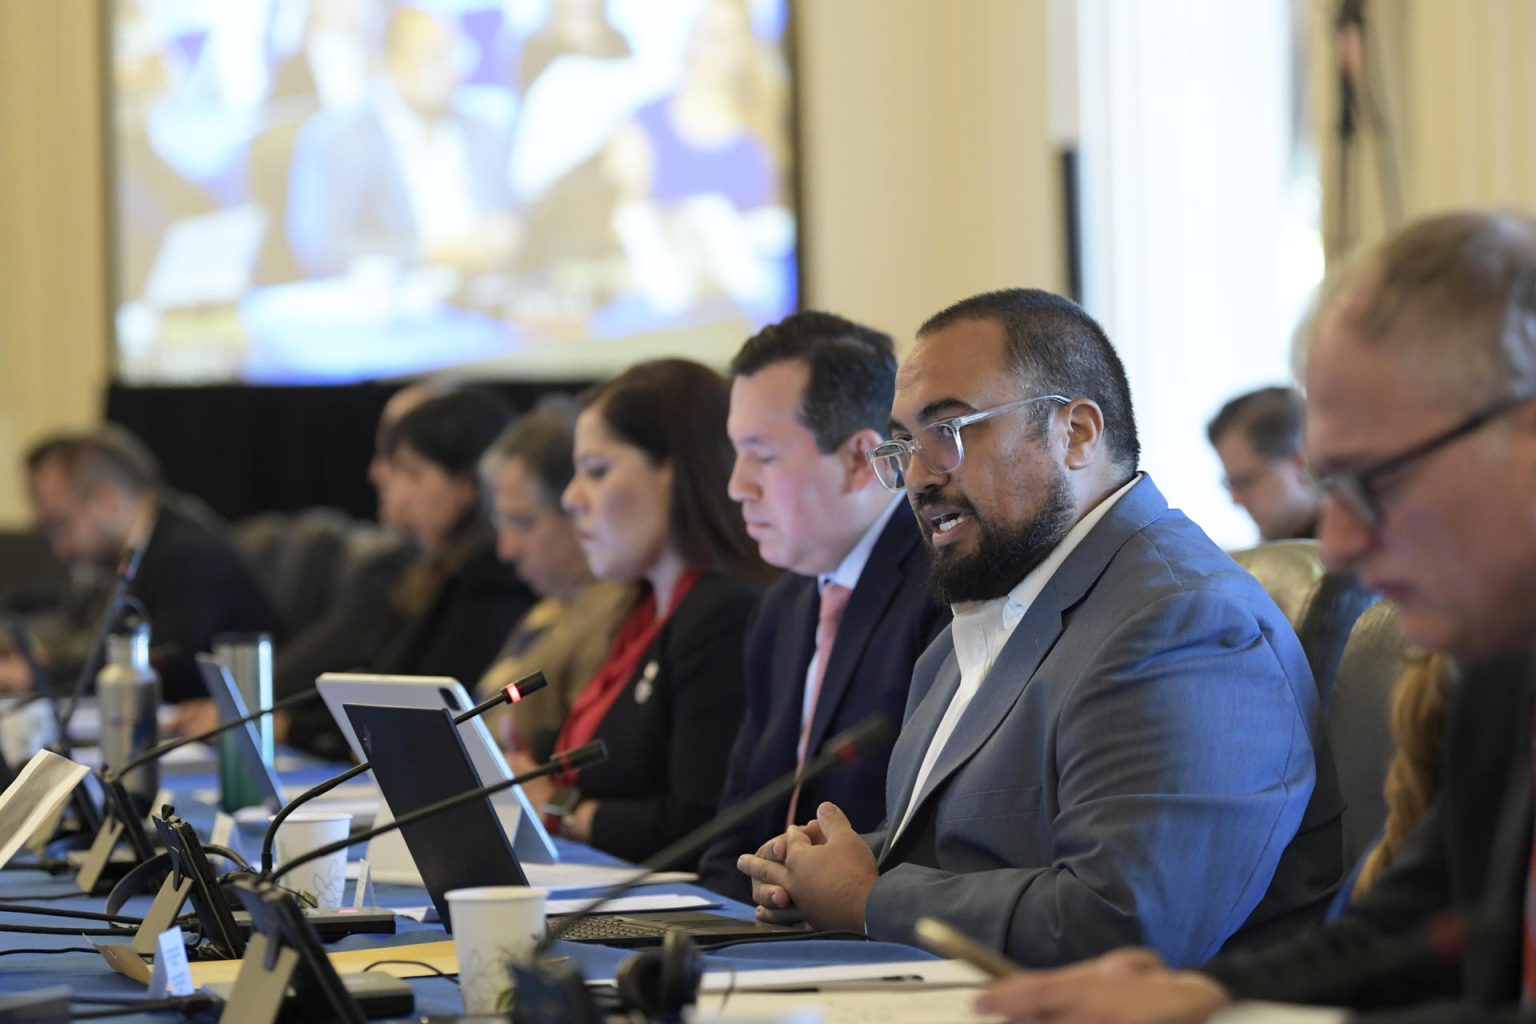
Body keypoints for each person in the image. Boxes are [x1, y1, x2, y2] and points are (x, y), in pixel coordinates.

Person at [975, 210, 1536, 1023]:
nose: (1337, 545)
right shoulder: (1505, 654)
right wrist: (1204, 994)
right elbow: (1426, 929)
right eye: (1327, 486)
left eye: (1370, 481)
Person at [738, 288, 1341, 967]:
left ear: (1077, 434)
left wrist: (864, 898)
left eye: (950, 432)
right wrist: (822, 867)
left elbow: (1122, 923)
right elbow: (967, 853)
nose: (916, 477)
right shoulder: (971, 632)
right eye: (905, 443)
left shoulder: (1186, 623)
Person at [696, 311, 949, 901]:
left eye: (761, 455)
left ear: (861, 460)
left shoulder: (943, 590)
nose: (737, 485)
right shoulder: (782, 608)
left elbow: (923, 836)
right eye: (736, 453)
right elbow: (731, 827)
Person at [515, 359, 775, 866]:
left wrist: (562, 812)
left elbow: (700, 821)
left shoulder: (723, 612)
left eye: (596, 471)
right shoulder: (642, 607)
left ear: (674, 471)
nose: (571, 498)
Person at [24, 426, 277, 703]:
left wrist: (37, 675)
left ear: (107, 501)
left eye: (60, 525)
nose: (59, 549)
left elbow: (159, 666)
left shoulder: (188, 554)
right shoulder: (139, 549)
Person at [286, 6, 518, 277]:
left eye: (453, 54)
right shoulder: (338, 141)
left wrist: (507, 235)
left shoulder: (484, 131)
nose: (449, 69)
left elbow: (512, 215)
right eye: (432, 57)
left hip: (488, 294)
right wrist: (430, 253)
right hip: (392, 304)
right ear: (389, 64)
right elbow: (322, 249)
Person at [476, 399, 635, 761]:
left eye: (524, 523)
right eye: (502, 523)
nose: (506, 549)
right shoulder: (550, 608)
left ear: (578, 511)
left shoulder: (617, 618)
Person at [367, 387, 534, 683]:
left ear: (467, 486)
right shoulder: (434, 570)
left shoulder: (494, 589)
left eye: (413, 474)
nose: (399, 494)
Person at [1207, 387, 1322, 541]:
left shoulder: (1350, 554)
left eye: (1245, 481)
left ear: (1299, 461)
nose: (1236, 500)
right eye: (1229, 484)